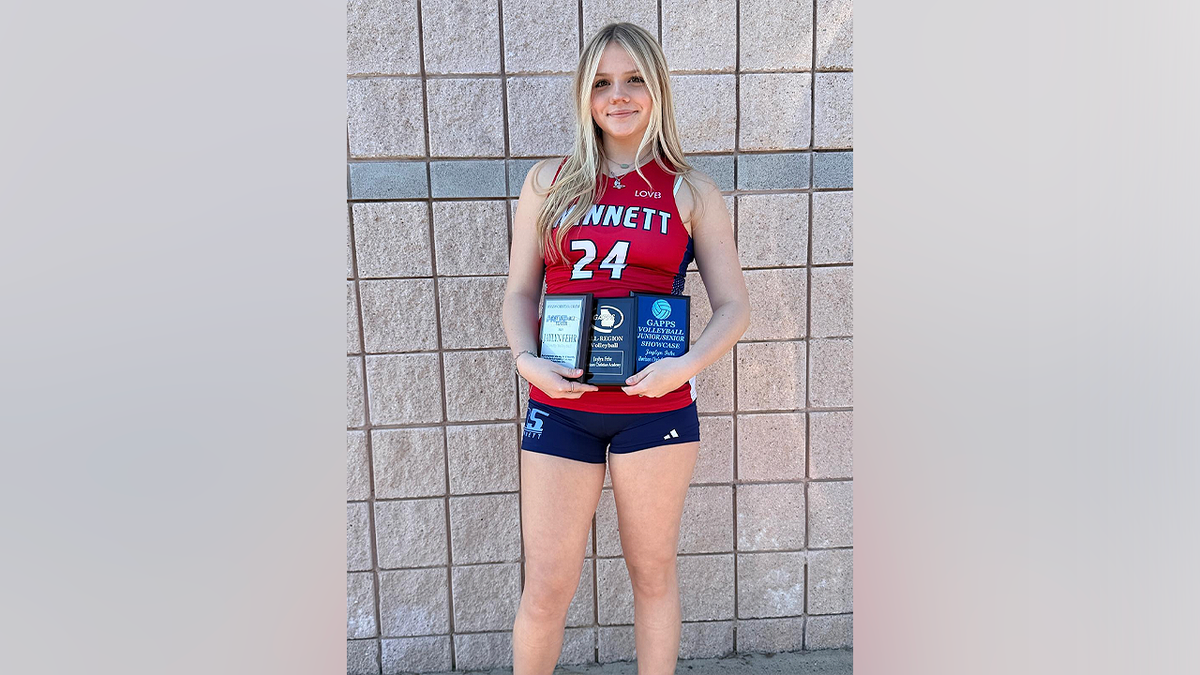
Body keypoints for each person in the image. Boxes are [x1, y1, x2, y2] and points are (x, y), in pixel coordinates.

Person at [501, 22, 750, 675]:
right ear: (585, 95)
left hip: (656, 407)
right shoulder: (547, 182)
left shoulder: (690, 190)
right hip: (560, 404)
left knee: (652, 574)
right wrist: (528, 362)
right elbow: (518, 293)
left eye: (635, 78)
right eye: (603, 82)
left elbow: (734, 306)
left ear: (657, 89)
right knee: (547, 585)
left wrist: (686, 364)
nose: (620, 94)